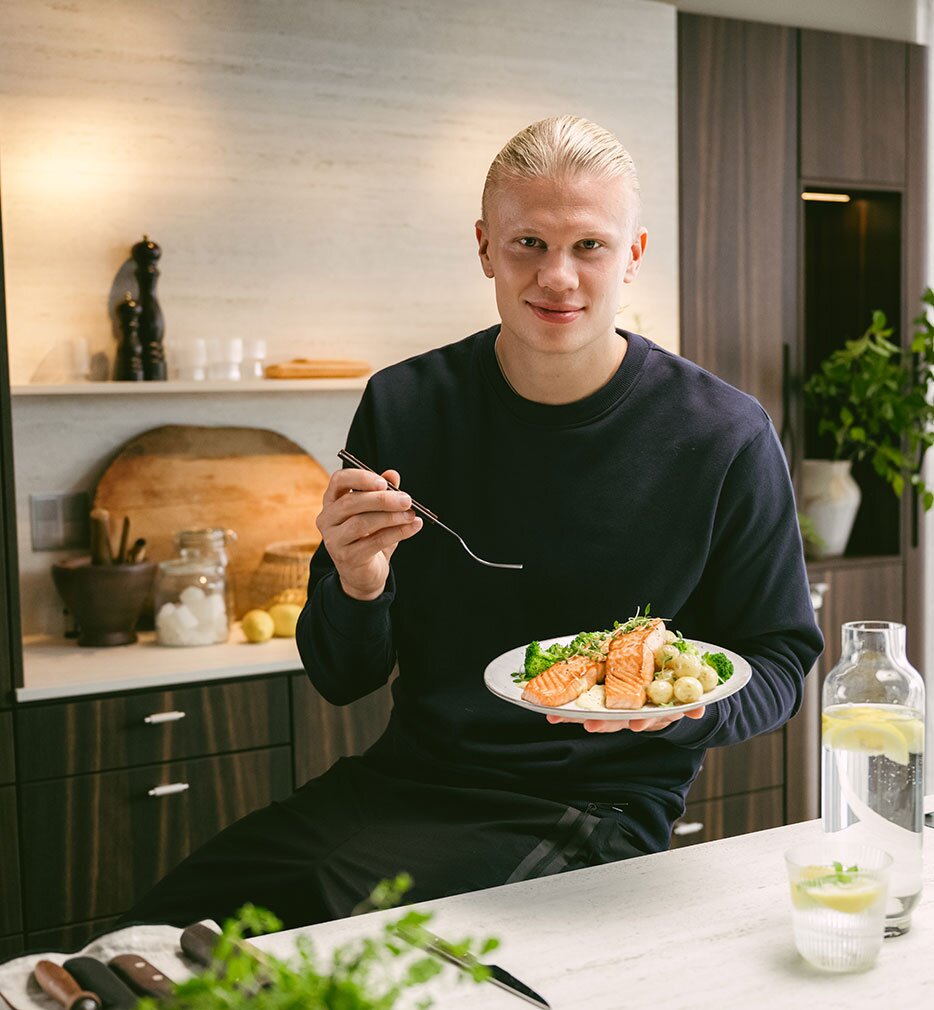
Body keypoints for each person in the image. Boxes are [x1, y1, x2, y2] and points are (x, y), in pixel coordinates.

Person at [123, 115, 822, 929]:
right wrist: (357, 582)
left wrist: (688, 709)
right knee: (163, 930)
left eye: (588, 246)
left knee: (332, 942)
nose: (556, 276)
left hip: (597, 805)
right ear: (486, 247)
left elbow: (780, 659)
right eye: (528, 243)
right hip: (401, 782)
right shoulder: (406, 404)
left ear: (631, 256)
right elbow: (340, 678)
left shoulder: (724, 433)